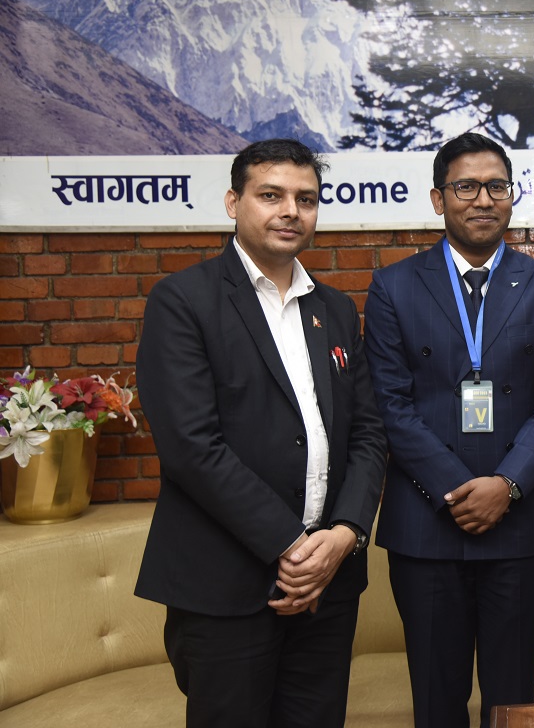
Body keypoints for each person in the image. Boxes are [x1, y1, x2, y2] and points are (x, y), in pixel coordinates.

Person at [135, 138, 388, 727]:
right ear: (234, 202)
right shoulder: (183, 300)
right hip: (227, 586)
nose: (290, 211)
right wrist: (293, 546)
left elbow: (369, 434)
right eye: (271, 195)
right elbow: (191, 447)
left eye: (306, 199)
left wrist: (345, 534)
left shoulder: (335, 309)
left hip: (329, 582)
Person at [363, 132, 534, 728]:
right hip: (426, 526)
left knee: (513, 703)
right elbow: (389, 405)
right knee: (436, 701)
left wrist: (505, 486)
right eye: (466, 187)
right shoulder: (393, 286)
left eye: (496, 186)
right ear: (439, 199)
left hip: (521, 526)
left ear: (511, 197)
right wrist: (459, 490)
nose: (483, 199)